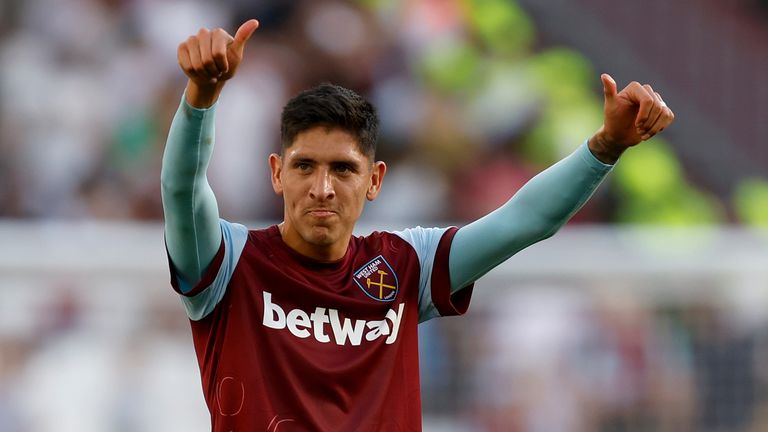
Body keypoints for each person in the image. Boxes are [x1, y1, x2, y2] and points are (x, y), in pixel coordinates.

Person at [161, 19, 674, 431]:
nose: (322, 188)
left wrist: (605, 147)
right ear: (277, 173)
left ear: (374, 180)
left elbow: (525, 221)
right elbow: (182, 191)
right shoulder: (230, 263)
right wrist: (201, 97)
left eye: (343, 169)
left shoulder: (406, 264)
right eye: (304, 167)